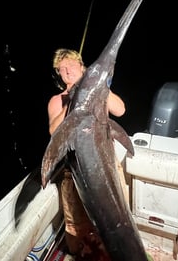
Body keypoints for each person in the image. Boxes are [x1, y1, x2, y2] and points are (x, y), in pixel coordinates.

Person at [47, 48, 127, 260]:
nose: (67, 70)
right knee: (75, 226)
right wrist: (74, 99)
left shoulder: (100, 93)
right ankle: (78, 256)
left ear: (83, 66)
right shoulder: (57, 100)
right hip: (74, 172)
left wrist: (97, 85)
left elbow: (120, 111)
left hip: (107, 169)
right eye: (61, 69)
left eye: (71, 64)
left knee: (118, 219)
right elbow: (54, 131)